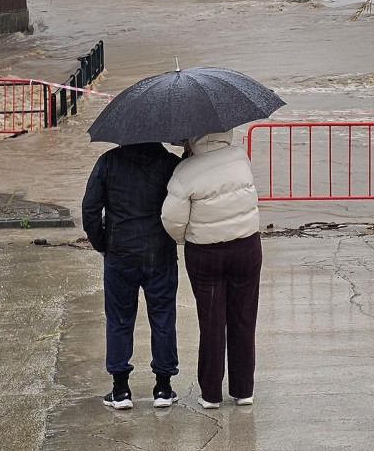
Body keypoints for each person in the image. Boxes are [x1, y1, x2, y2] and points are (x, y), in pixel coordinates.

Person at [161, 130, 262, 409]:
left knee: (211, 322)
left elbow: (171, 218)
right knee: (244, 319)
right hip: (246, 248)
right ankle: (243, 390)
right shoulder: (240, 157)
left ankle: (211, 394)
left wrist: (186, 238)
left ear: (192, 136)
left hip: (205, 254)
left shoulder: (185, 171)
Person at [82, 142, 183, 410]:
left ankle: (120, 390)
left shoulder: (107, 162)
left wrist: (103, 244)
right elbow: (181, 208)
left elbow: (90, 211)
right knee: (162, 317)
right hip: (159, 254)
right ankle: (163, 388)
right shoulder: (170, 164)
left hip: (120, 254)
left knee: (119, 320)